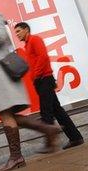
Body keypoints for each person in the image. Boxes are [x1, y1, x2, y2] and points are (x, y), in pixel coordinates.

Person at [0, 1, 60, 170]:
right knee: (7, 115)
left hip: (0, 75)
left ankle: (17, 156)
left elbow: (0, 37)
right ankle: (46, 130)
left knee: (5, 114)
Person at [14, 22, 84, 151]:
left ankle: (50, 144)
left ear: (26, 30)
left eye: (18, 31)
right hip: (41, 80)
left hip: (44, 79)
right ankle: (75, 138)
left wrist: (37, 75)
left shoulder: (35, 39)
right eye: (15, 32)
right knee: (57, 110)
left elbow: (43, 57)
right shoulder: (27, 45)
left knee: (46, 112)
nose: (16, 35)